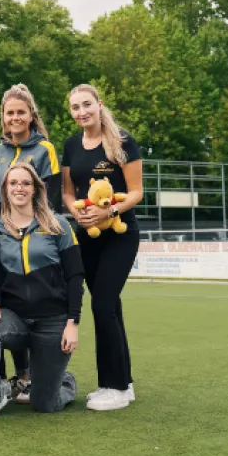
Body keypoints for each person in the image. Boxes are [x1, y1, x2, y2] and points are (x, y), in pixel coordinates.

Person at [0, 162, 82, 418]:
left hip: (52, 320)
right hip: (16, 319)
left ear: (35, 189)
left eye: (25, 183)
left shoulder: (58, 225)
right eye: (13, 183)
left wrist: (72, 323)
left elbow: (75, 276)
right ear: (5, 189)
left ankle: (63, 380)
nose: (19, 188)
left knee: (45, 404)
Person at [62, 83, 143, 411]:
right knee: (110, 307)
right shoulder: (71, 145)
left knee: (103, 305)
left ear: (99, 104)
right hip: (87, 236)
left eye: (86, 105)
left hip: (120, 235)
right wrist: (77, 212)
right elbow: (68, 192)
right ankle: (124, 382)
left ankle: (116, 388)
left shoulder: (122, 141)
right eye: (75, 107)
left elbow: (136, 192)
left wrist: (108, 212)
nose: (81, 112)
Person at [0, 83, 61, 403]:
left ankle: (39, 375)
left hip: (35, 239)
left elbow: (52, 196)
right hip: (5, 237)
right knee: (10, 304)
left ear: (31, 115)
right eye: (10, 113)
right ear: (3, 117)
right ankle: (19, 377)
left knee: (35, 305)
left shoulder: (44, 149)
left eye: (21, 112)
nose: (15, 117)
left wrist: (40, 233)